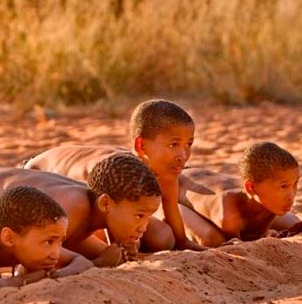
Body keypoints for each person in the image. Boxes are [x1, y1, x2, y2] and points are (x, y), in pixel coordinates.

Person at [22, 99, 205, 251]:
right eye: (174, 145)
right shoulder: (111, 171)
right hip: (40, 172)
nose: (183, 155)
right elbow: (106, 212)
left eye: (188, 144)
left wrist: (192, 246)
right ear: (141, 146)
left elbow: (177, 231)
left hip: (90, 201)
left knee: (163, 238)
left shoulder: (166, 171)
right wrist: (119, 248)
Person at [0, 153, 162, 266]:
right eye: (139, 216)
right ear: (105, 204)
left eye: (148, 217)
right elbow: (28, 263)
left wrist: (117, 252)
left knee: (106, 255)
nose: (143, 226)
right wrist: (95, 264)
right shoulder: (72, 207)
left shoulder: (90, 208)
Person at [179, 141, 302, 247]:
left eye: (295, 184)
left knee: (293, 221)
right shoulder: (229, 218)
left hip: (210, 178)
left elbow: (258, 233)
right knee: (212, 239)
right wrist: (269, 235)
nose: (291, 195)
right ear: (251, 188)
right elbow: (239, 243)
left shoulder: (270, 201)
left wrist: (268, 234)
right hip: (178, 189)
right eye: (283, 186)